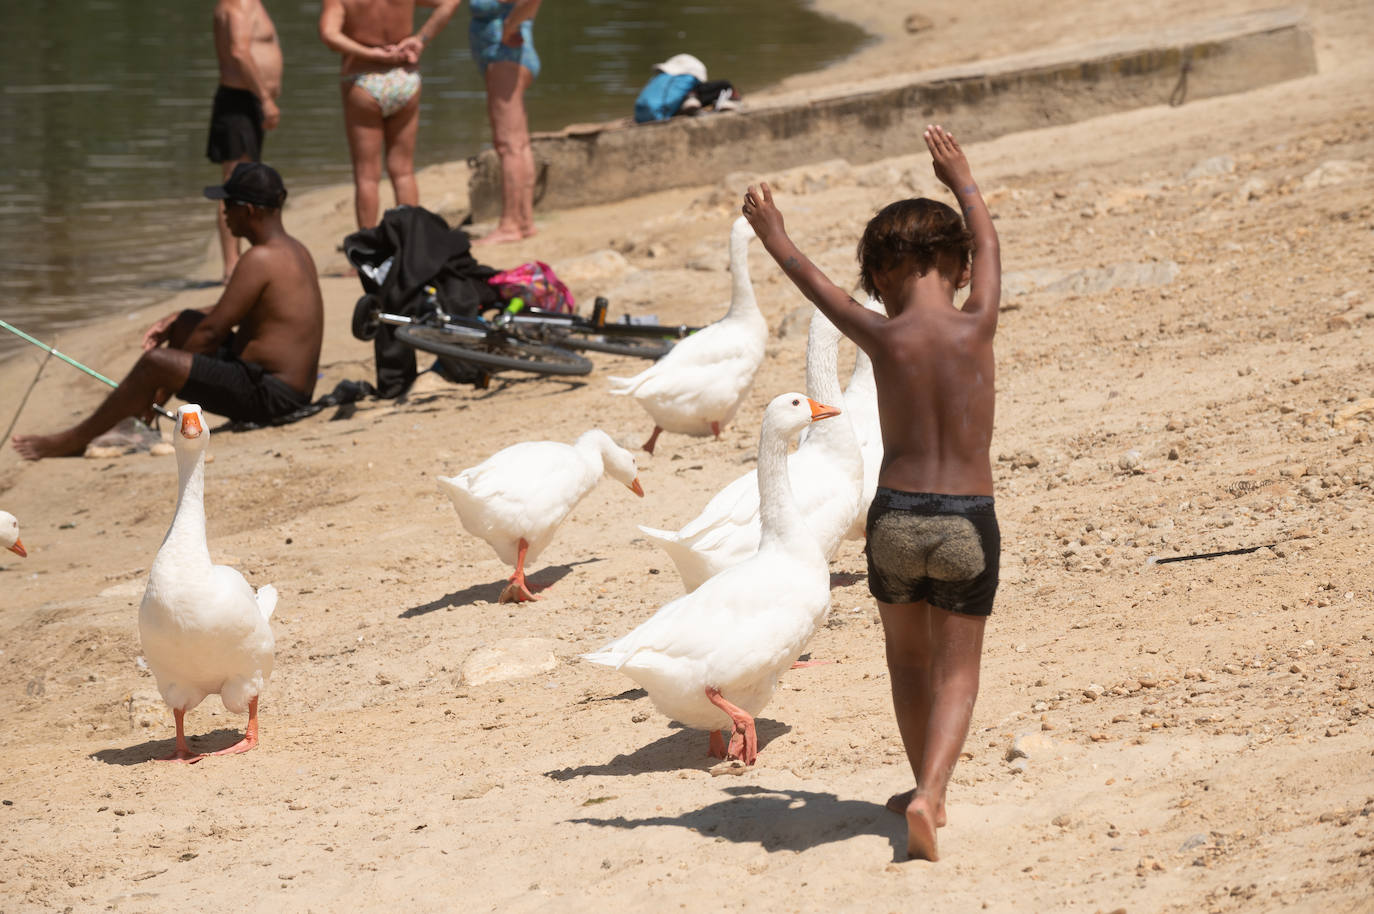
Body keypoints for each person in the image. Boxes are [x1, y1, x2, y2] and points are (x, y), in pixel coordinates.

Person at [741, 125, 1001, 863]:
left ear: (879, 279)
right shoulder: (977, 321)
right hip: (966, 519)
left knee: (907, 662)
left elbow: (810, 281)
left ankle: (922, 783)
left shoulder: (880, 336)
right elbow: (989, 239)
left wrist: (775, 234)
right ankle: (933, 792)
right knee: (960, 668)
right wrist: (962, 178)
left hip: (892, 519)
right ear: (956, 265)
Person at [12, 164, 324, 461]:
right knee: (186, 322)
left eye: (228, 204)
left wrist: (164, 382)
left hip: (273, 397)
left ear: (249, 210)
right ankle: (140, 423)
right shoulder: (293, 250)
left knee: (155, 363)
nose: (224, 213)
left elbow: (212, 332)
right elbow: (252, 310)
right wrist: (178, 319)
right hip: (280, 387)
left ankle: (72, 440)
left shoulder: (260, 258)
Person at [319, 0, 463, 230]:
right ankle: (411, 245)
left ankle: (368, 252)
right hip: (404, 79)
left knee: (367, 176)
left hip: (364, 79)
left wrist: (370, 53)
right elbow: (449, 2)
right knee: (404, 171)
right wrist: (420, 39)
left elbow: (329, 35)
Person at [209, 0, 283, 283]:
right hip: (239, 103)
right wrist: (264, 98)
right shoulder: (236, 6)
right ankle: (231, 266)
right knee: (234, 182)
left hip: (247, 101)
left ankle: (244, 258)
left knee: (244, 179)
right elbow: (239, 52)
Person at [468, 0, 543, 245]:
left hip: (506, 57)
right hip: (508, 56)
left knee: (508, 145)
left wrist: (510, 26)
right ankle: (525, 221)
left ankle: (510, 225)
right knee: (519, 143)